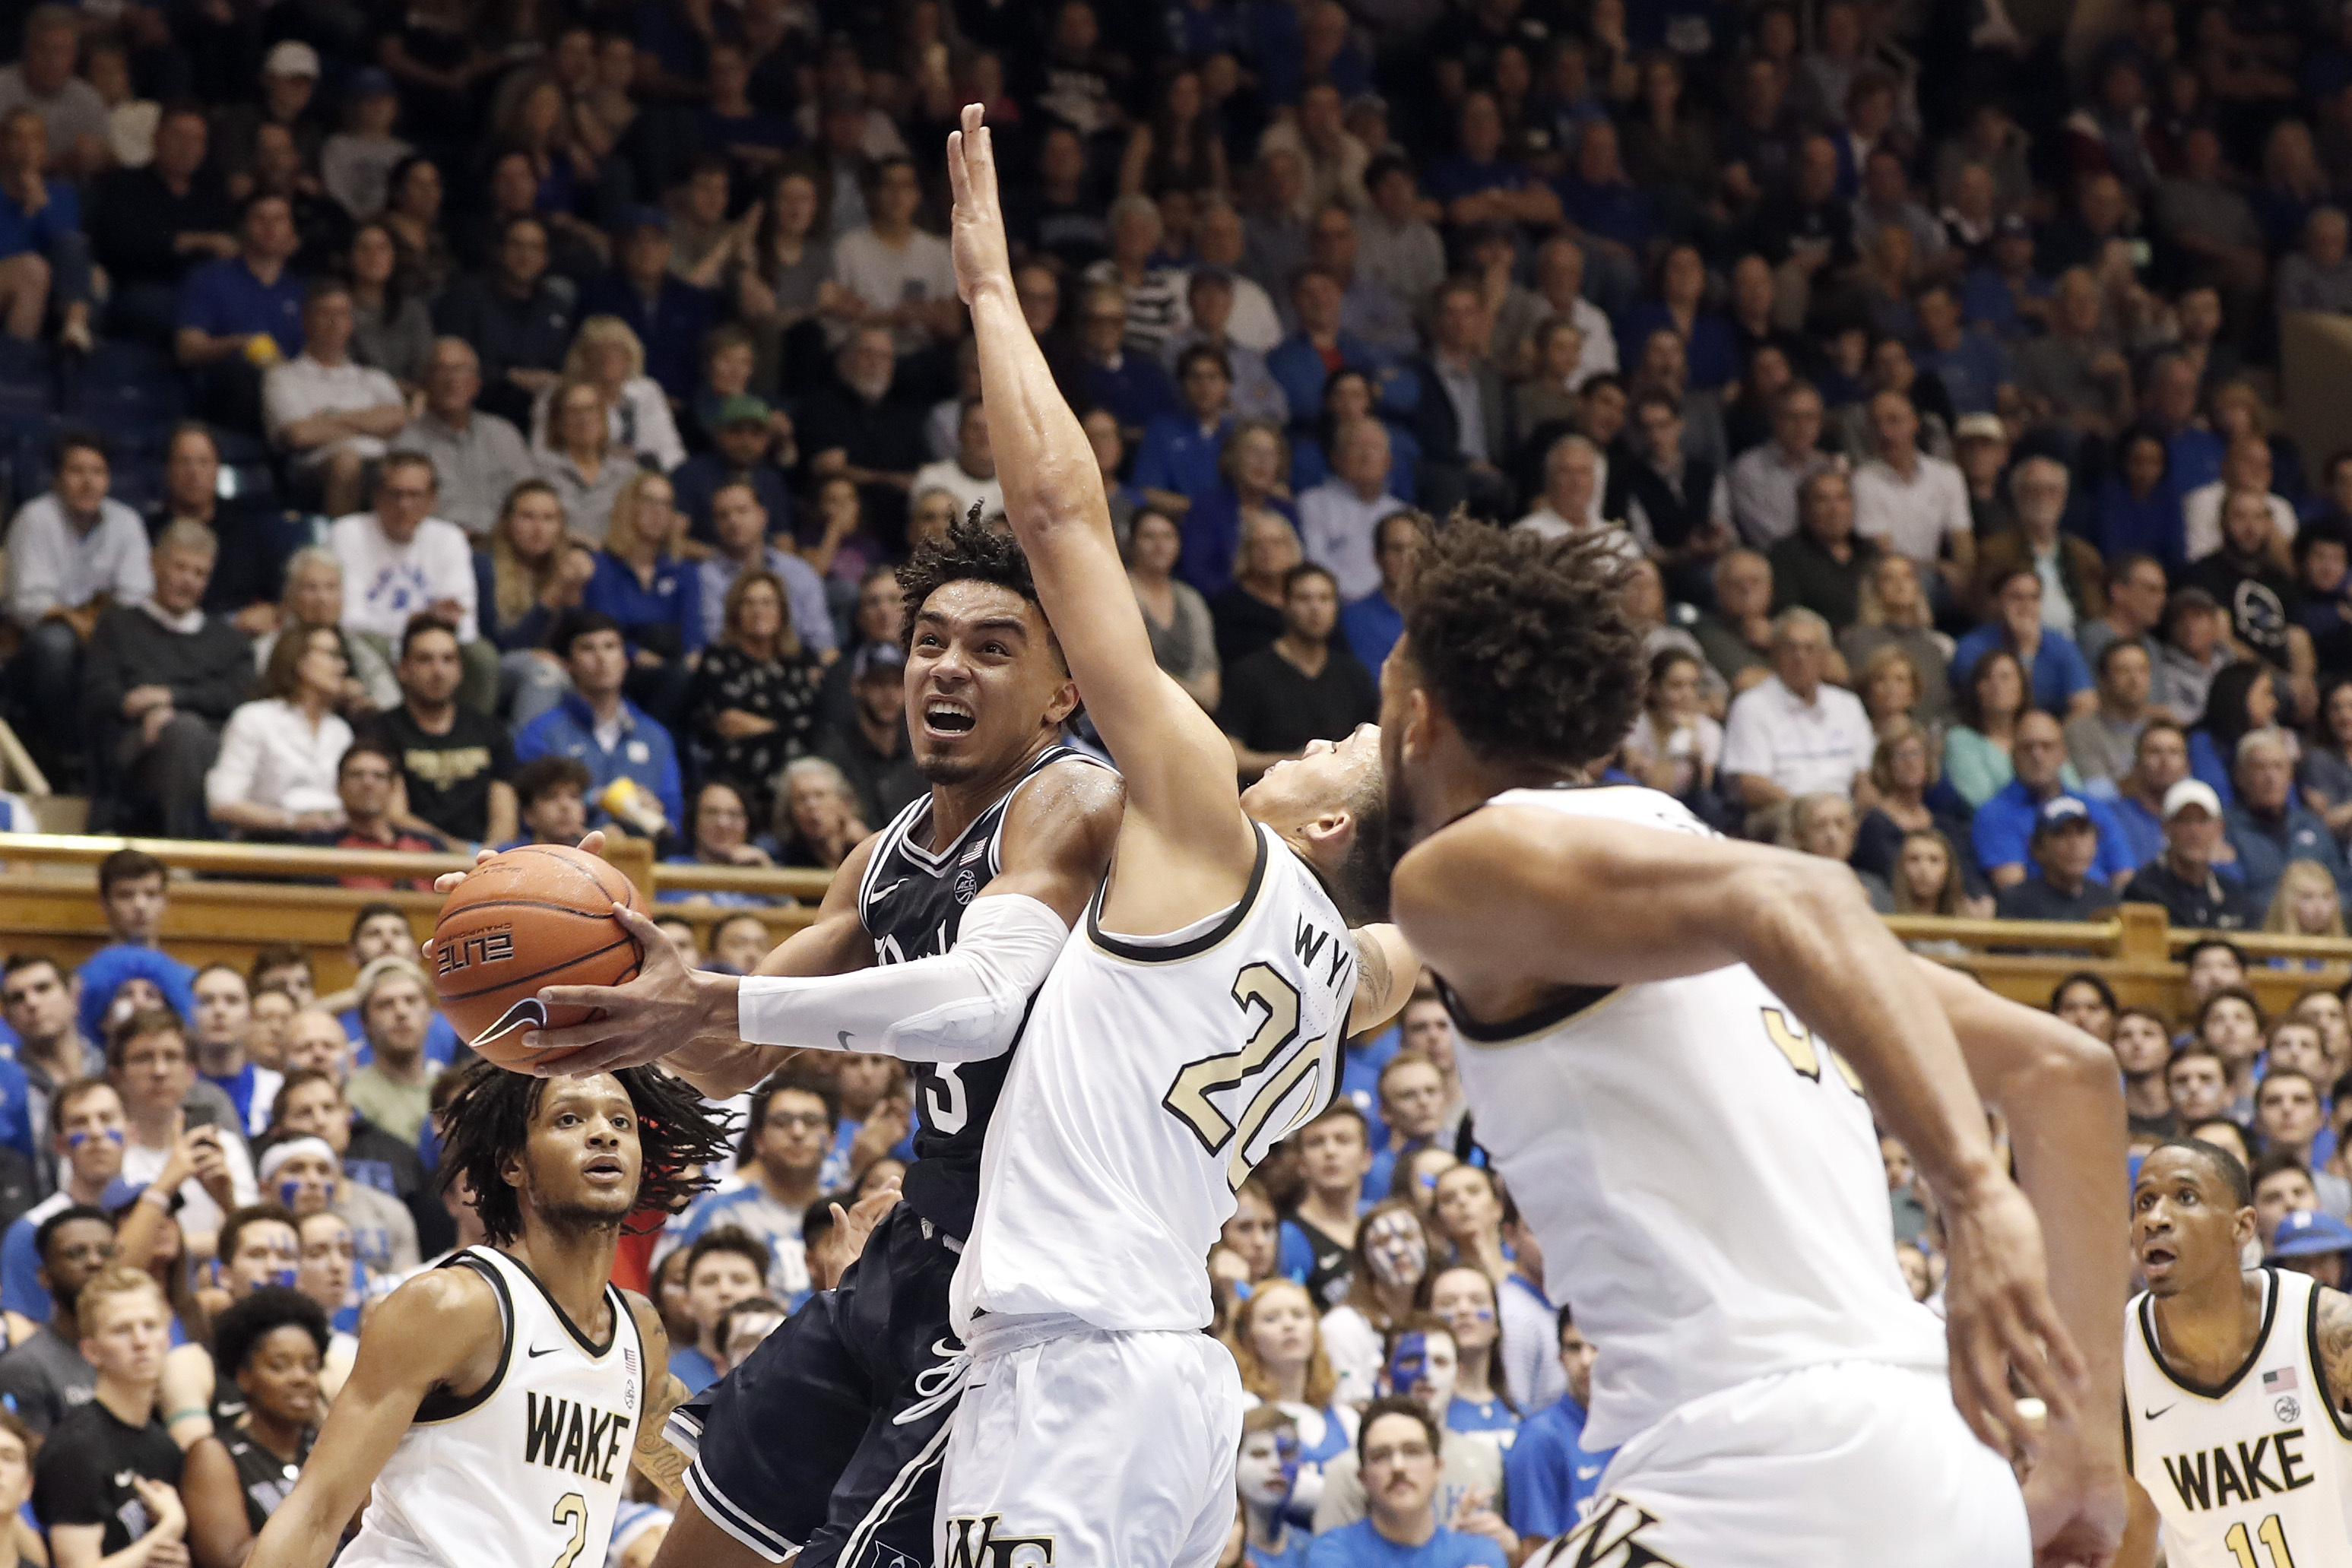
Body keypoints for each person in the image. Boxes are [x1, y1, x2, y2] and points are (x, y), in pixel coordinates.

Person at [530, 110, 1412, 1568]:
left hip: (1033, 1315)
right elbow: (728, 1054)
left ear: (1061, 687)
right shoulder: (1331, 963)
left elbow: (981, 990)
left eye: (987, 648)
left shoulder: (1095, 802)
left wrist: (992, 294)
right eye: (925, 640)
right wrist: (596, 1011)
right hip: (938, 1263)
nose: (943, 667)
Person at [1378, 522, 2132, 1560]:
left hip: (1756, 1462)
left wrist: (1972, 1189)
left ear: (1417, 719)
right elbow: (2063, 1072)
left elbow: (1807, 884)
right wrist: (2088, 1452)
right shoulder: (1687, 865)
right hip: (1941, 1464)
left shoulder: (1459, 870)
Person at [244, 1063, 727, 1568]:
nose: (603, 1133)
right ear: (513, 1163)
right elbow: (317, 1510)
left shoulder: (637, 1331)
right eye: (568, 1119)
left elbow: (714, 1488)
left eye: (621, 1122)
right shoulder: (453, 1304)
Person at [2119, 1139, 2352, 1563]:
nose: (2156, 1219)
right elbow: (2133, 1534)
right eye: (2145, 1202)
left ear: (2242, 1227)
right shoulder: (2120, 1361)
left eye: (2185, 1197)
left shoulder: (2328, 1330)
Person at [80, 521, 254, 839]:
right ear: (155, 564)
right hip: (135, 747)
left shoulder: (229, 641)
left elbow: (238, 696)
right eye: (181, 568)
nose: (189, 581)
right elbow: (99, 692)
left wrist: (170, 699)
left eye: (200, 573)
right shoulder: (118, 625)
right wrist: (139, 710)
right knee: (183, 733)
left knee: (189, 732)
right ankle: (184, 854)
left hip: (214, 746)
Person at [3, 432, 154, 781]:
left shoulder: (126, 522)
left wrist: (94, 626)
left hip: (109, 635)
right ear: (57, 479)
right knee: (56, 645)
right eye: (77, 471)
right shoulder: (35, 518)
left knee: (141, 645)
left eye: (98, 472)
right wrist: (80, 622)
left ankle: (117, 768)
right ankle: (62, 754)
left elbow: (137, 596)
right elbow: (27, 605)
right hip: (37, 646)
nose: (88, 482)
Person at [29, 1265, 187, 1568]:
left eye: (150, 1326)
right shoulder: (74, 1449)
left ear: (167, 1338)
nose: (140, 1341)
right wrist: (169, 1527)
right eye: (122, 1330)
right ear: (91, 1351)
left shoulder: (164, 1445)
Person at [653, 1069, 833, 1311]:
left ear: (831, 1139)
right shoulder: (719, 1213)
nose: (797, 1132)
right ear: (758, 1140)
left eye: (811, 1122)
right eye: (782, 1122)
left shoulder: (846, 1215)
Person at [181, 1288, 327, 1568]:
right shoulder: (214, 1454)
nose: (301, 1378)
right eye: (280, 1366)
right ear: (245, 1377)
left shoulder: (324, 1448)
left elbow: (369, 1530)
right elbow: (230, 1560)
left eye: (311, 1367)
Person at [515, 611, 685, 838]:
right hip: (569, 858)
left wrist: (657, 813)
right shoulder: (542, 733)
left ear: (625, 661)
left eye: (610, 647)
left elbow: (674, 819)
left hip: (640, 859)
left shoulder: (655, 737)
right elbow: (529, 813)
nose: (601, 657)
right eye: (587, 648)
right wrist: (597, 799)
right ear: (569, 665)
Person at [357, 616, 518, 849]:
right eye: (425, 660)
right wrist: (459, 851)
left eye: (448, 659)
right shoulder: (378, 731)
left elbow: (505, 818)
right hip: (411, 861)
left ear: (460, 670)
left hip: (483, 861)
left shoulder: (490, 730)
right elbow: (396, 815)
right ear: (403, 669)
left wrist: (488, 856)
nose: (438, 671)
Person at [1217, 564, 1380, 783]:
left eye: (1325, 599)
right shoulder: (1249, 673)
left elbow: (1376, 746)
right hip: (1271, 799)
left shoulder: (1354, 674)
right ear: (1284, 605)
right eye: (1304, 599)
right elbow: (1230, 754)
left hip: (1343, 802)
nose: (1315, 608)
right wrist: (1299, 762)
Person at [1307, 1399, 1511, 1568]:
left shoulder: (1478, 1553)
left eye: (1413, 1451)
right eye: (1381, 1456)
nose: (1398, 1466)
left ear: (1438, 1468)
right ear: (1363, 1478)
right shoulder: (1333, 1551)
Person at [1718, 608, 1876, 816]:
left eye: (1810, 649)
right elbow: (1752, 786)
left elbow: (1863, 779)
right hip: (1782, 814)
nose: (1800, 657)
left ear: (1824, 657)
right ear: (1774, 654)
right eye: (1791, 648)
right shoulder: (1751, 706)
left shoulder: (1848, 705)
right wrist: (1811, 814)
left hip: (1843, 814)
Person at [205, 622, 354, 838]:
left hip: (334, 840)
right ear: (299, 661)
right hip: (272, 841)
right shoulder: (255, 718)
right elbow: (222, 803)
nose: (341, 666)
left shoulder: (340, 730)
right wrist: (293, 821)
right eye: (331, 655)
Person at [0, 1206, 114, 1436]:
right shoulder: (26, 1366)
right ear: (44, 1276)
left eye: (106, 1251)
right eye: (76, 1253)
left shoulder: (144, 1347)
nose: (94, 1261)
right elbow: (37, 1464)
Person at [1503, 1307, 1614, 1541]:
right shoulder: (1540, 1438)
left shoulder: (1641, 1431)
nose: (1586, 1360)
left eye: (1596, 1346)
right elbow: (1535, 1550)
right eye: (1574, 1348)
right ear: (1560, 1358)